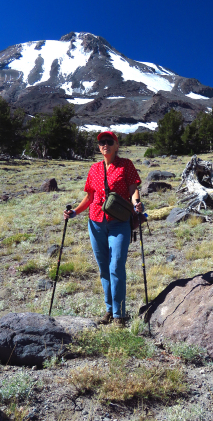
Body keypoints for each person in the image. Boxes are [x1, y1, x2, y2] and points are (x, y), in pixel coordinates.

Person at [64, 131, 143, 326]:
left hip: (119, 222)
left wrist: (136, 203)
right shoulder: (94, 169)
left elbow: (133, 189)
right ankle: (109, 309)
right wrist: (75, 212)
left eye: (109, 142)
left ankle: (119, 314)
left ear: (117, 145)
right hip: (96, 223)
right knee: (104, 268)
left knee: (116, 266)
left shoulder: (126, 165)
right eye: (101, 142)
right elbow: (90, 197)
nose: (104, 145)